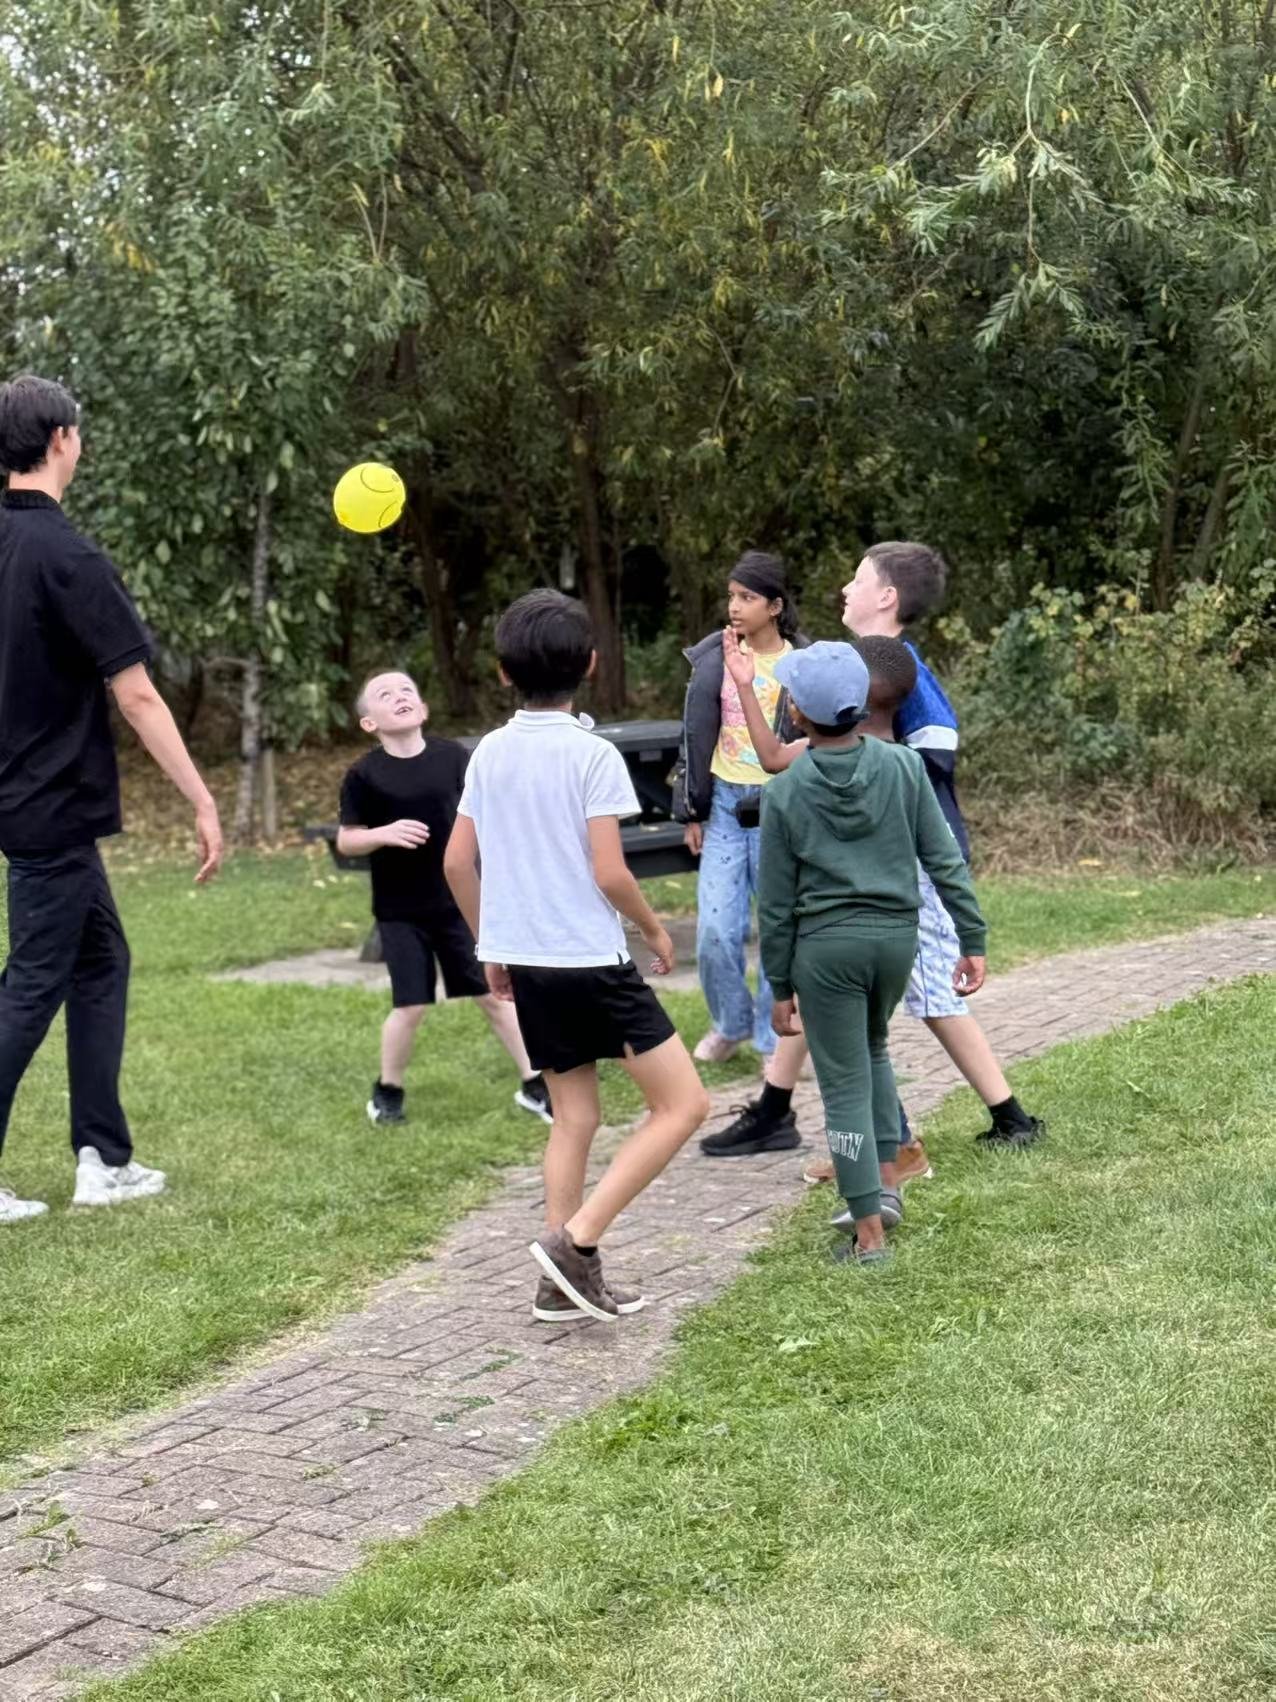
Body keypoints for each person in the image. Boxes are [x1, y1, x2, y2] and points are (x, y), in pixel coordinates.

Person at [713, 541, 1045, 1168]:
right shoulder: (846, 665)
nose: (844, 588)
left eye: (857, 579)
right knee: (826, 980)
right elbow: (785, 756)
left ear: (887, 597)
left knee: (925, 990)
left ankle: (994, 1121)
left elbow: (939, 743)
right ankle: (777, 1107)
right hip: (866, 861)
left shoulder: (899, 667)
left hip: (906, 854)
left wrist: (878, 788)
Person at [445, 589, 710, 1323]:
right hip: (591, 961)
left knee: (575, 1117)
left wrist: (490, 943)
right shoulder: (594, 755)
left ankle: (558, 1285)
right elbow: (610, 872)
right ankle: (575, 1243)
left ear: (503, 672)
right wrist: (654, 930)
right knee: (684, 1105)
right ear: (591, 665)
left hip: (528, 963)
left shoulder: (488, 752)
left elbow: (457, 863)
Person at [0, 374, 223, 1225]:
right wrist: (202, 800)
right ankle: (101, 1158)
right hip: (48, 808)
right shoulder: (69, 558)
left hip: (34, 804)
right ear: (62, 439)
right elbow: (136, 696)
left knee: (101, 962)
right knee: (30, 987)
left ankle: (104, 1159)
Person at [756, 641, 988, 1263]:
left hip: (825, 951)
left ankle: (868, 1235)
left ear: (796, 714)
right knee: (874, 1046)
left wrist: (779, 985)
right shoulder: (905, 767)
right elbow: (943, 860)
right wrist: (972, 939)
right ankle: (885, 1184)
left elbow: (775, 905)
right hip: (894, 942)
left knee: (842, 1087)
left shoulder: (784, 792)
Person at [337, 669, 551, 1128]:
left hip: (459, 904)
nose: (399, 696)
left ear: (423, 708)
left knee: (493, 995)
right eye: (384, 694)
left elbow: (489, 813)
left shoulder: (453, 757)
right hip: (400, 912)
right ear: (369, 723)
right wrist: (382, 833)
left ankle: (535, 1084)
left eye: (407, 690)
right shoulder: (363, 775)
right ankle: (388, 1091)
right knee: (410, 1006)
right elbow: (347, 840)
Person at [674, 551, 808, 1070]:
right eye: (731, 596)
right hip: (726, 807)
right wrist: (692, 810)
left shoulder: (803, 662)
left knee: (779, 927)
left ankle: (773, 1038)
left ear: (775, 606)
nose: (734, 606)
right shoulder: (714, 657)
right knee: (714, 930)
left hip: (782, 808)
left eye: (747, 597)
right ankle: (730, 1024)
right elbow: (694, 734)